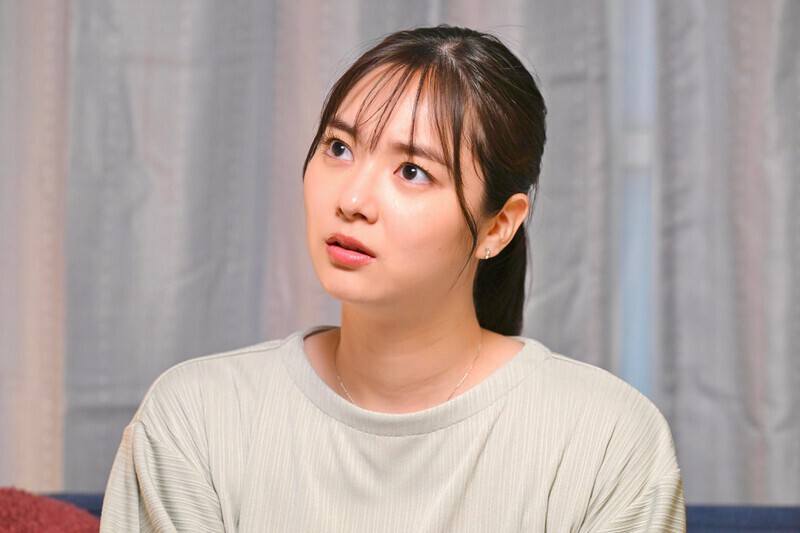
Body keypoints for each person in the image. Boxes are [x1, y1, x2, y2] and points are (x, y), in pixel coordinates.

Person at [100, 25, 685, 531]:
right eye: (338, 147)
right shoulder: (196, 421)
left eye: (412, 171)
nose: (352, 200)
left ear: (497, 226)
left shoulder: (607, 442)